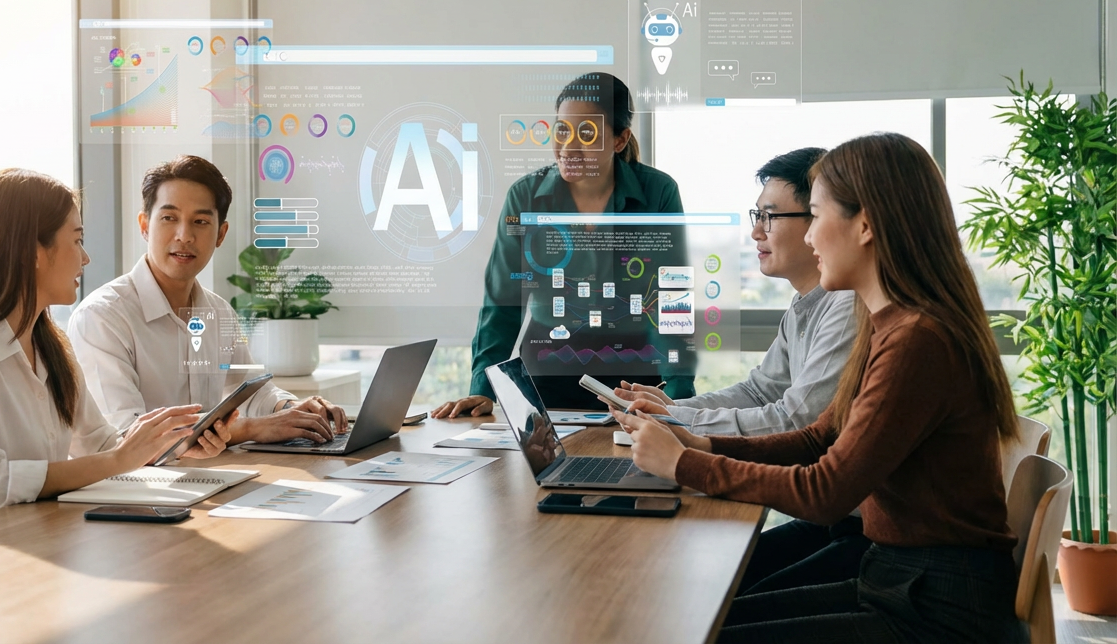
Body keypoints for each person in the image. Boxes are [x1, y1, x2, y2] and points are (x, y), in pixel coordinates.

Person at [615, 133, 1024, 643]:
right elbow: (817, 437)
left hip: (938, 609)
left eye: (818, 214)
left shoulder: (918, 341)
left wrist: (684, 464)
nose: (809, 238)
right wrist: (701, 443)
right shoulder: (890, 324)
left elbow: (826, 492)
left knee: (701, 628)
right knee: (702, 620)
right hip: (898, 580)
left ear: (867, 225)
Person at [0, 169, 231, 534]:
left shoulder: (50, 345)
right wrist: (118, 459)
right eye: (76, 241)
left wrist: (172, 445)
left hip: (28, 530)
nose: (85, 258)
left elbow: (100, 445)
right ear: (33, 251)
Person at [614, 147, 865, 595]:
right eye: (756, 215)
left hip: (859, 535)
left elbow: (799, 421)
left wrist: (685, 440)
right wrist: (677, 410)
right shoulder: (808, 304)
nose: (755, 232)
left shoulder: (849, 308)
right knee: (710, 585)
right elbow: (760, 389)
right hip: (837, 523)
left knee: (710, 595)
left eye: (769, 216)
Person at [432, 72, 686, 418]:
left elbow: (670, 301)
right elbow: (502, 303)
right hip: (545, 382)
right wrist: (484, 388)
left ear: (620, 139)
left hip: (634, 386)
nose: (568, 147)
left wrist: (680, 395)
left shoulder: (658, 194)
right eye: (562, 130)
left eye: (587, 134)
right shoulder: (526, 197)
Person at [68, 155, 347, 447]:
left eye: (200, 221)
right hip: (134, 488)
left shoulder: (219, 312)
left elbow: (252, 391)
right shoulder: (102, 317)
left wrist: (292, 410)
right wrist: (252, 429)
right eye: (169, 218)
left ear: (221, 234)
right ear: (144, 225)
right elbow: (126, 436)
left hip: (208, 480)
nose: (185, 236)